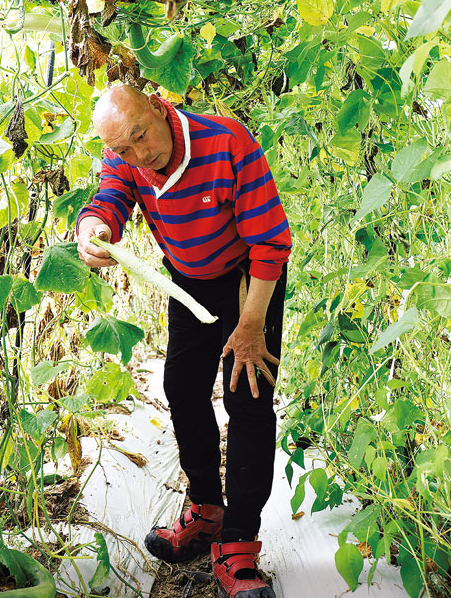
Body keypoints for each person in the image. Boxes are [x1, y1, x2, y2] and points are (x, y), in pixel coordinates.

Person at [75, 85, 290, 598]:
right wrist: (93, 226)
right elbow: (110, 198)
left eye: (140, 137)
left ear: (155, 106)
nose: (138, 154)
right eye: (122, 149)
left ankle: (240, 543)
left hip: (249, 275)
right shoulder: (123, 156)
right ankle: (206, 510)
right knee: (183, 387)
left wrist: (251, 324)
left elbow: (270, 242)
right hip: (189, 279)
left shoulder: (226, 141)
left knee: (248, 395)